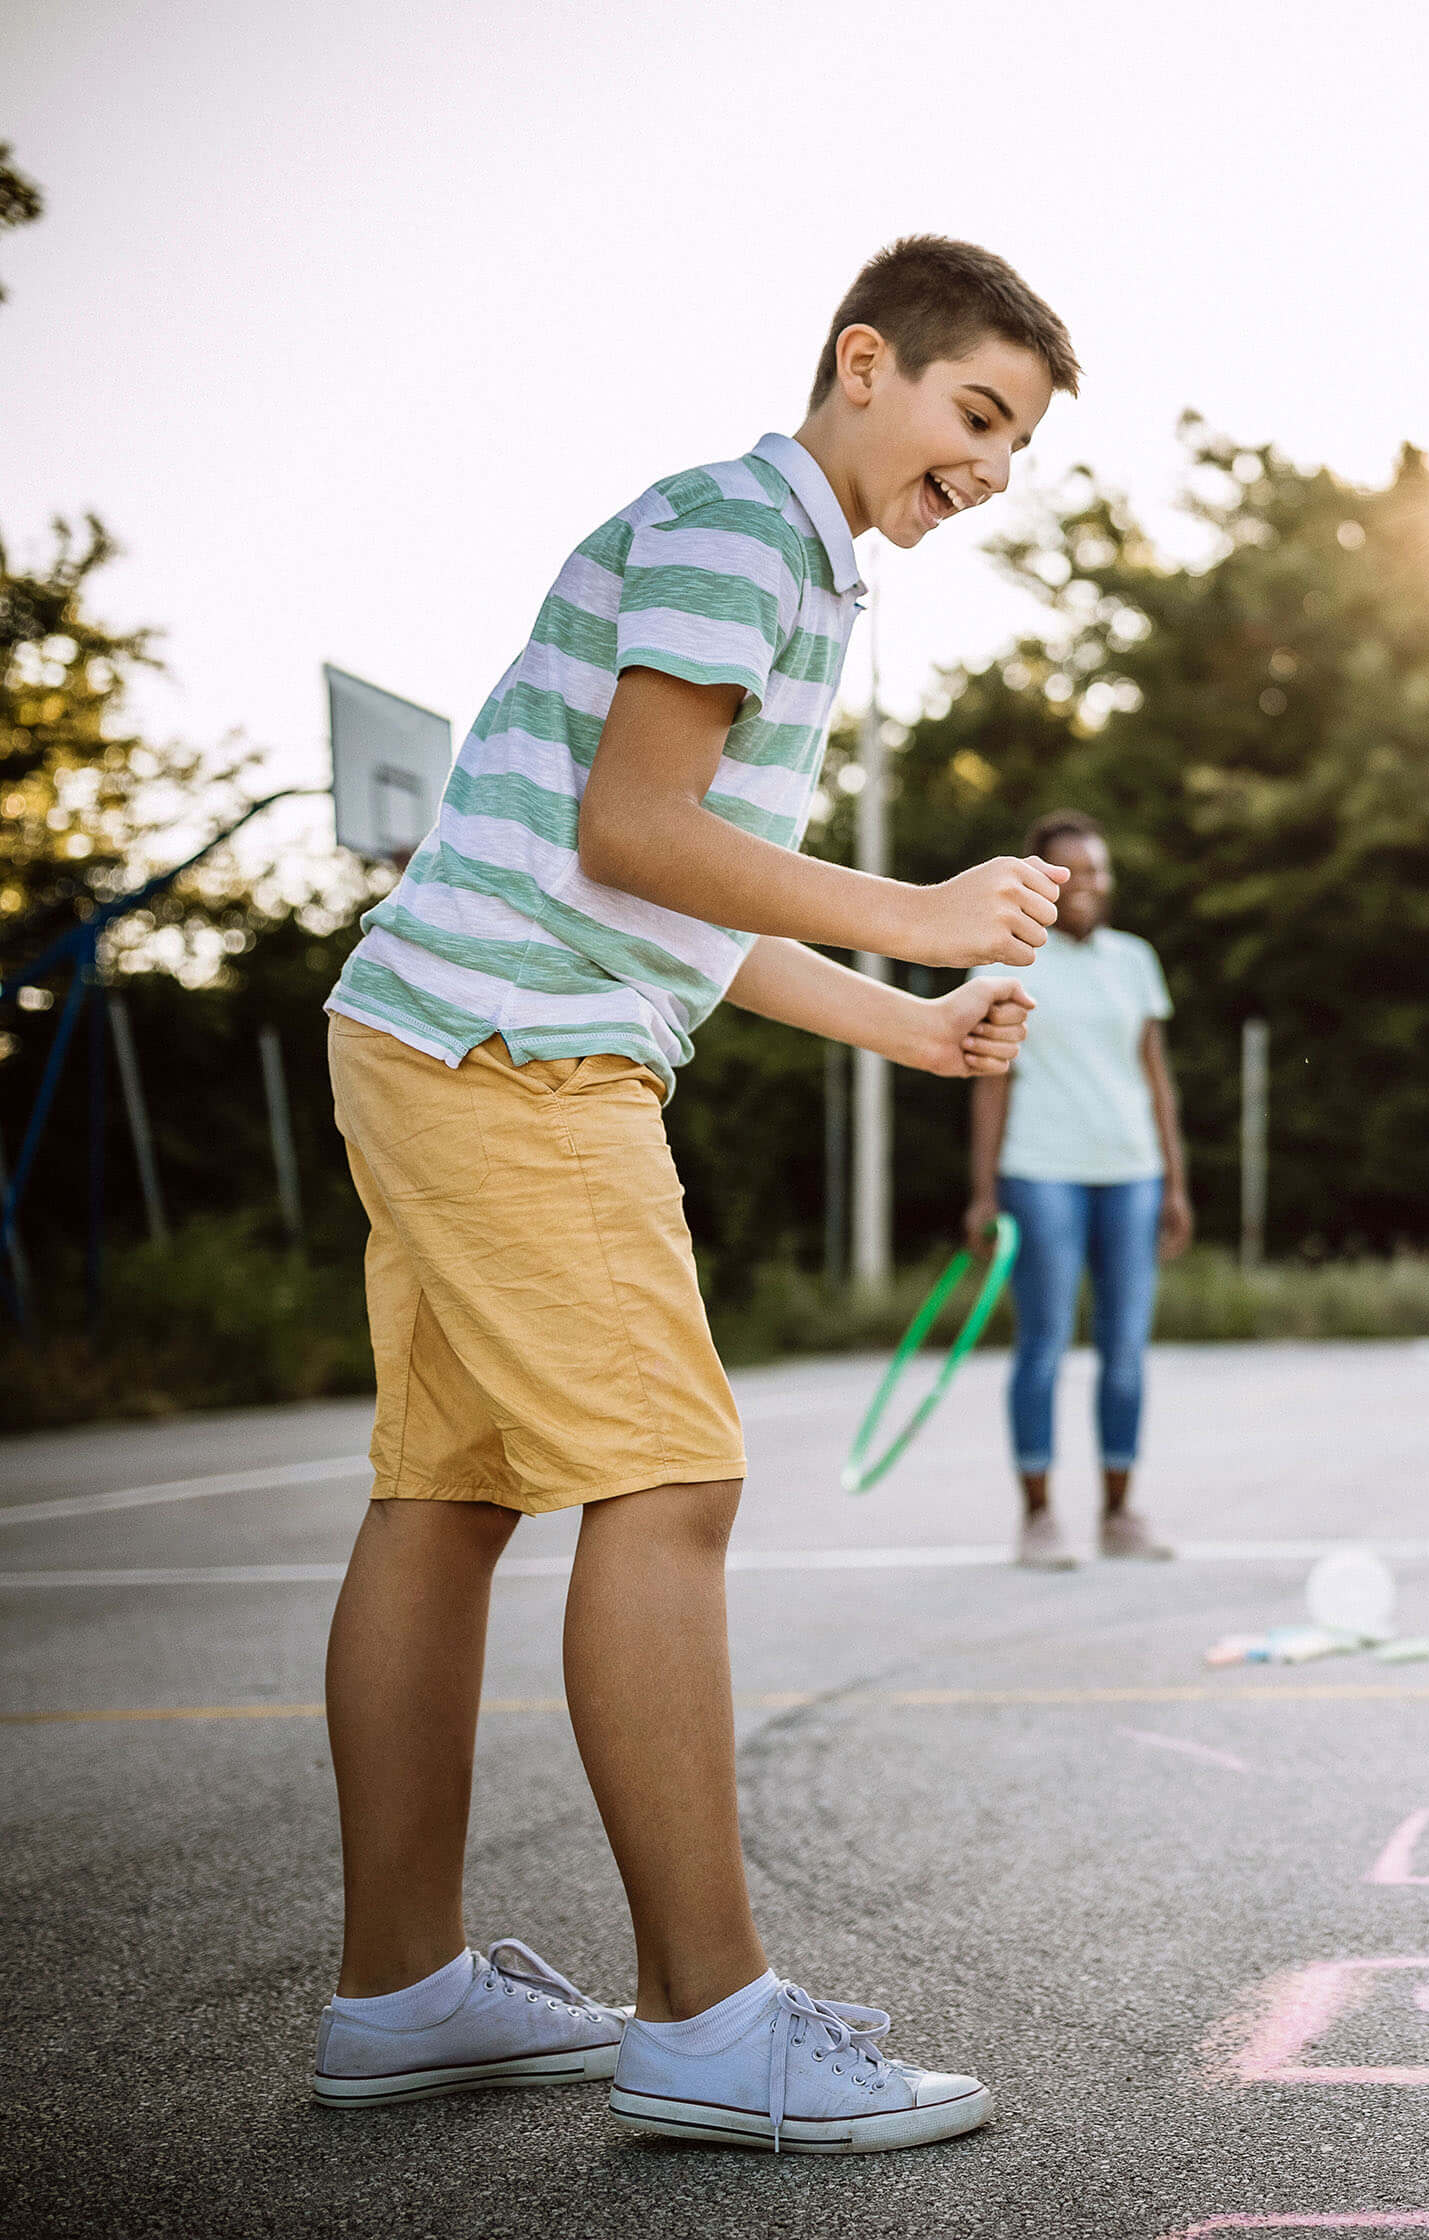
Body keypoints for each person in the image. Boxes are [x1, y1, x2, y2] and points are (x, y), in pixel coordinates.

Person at [314, 237, 1082, 2150]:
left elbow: (682, 887)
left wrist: (903, 1024)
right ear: (863, 365)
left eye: (1015, 448)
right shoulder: (750, 529)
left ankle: (403, 1989)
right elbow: (632, 825)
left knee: (450, 1493)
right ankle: (709, 2019)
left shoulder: (781, 556)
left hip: (441, 1022)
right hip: (517, 1045)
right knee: (671, 1482)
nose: (985, 471)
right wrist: (911, 911)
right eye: (974, 416)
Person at [963, 809, 1193, 1567]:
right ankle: (1038, 1519)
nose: (1090, 885)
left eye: (1098, 871)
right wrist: (984, 1191)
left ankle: (1120, 1515)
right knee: (1045, 1344)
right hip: (1041, 1172)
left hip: (1131, 1173)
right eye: (1074, 873)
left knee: (1125, 1350)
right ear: (1041, 882)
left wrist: (1176, 1183)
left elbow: (1156, 1078)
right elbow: (989, 1084)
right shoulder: (1004, 961)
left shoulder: (1135, 960)